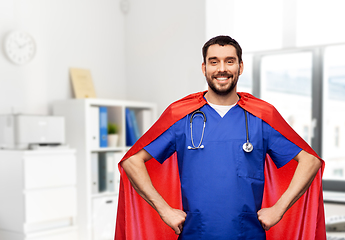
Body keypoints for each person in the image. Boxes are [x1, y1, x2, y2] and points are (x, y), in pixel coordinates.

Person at [115, 36, 326, 240]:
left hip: (247, 234)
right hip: (195, 233)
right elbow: (132, 161)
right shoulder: (180, 116)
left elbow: (310, 160)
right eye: (213, 62)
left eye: (230, 61)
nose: (222, 69)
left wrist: (279, 209)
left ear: (240, 67)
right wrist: (164, 210)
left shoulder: (262, 116)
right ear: (204, 68)